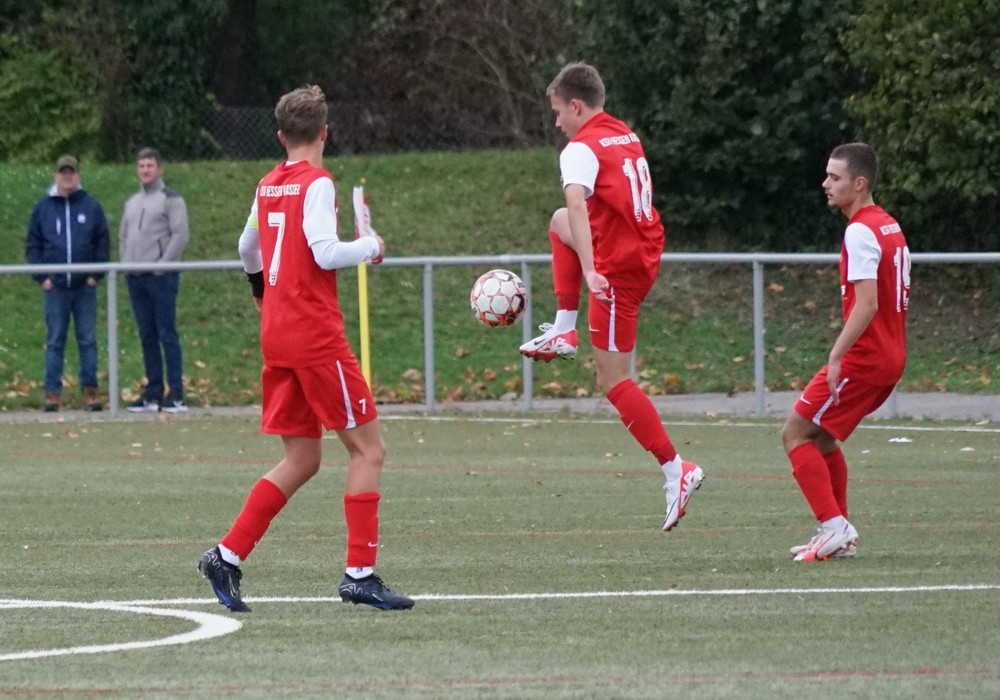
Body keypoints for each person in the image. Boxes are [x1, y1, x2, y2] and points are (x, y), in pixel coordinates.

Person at [197, 85, 413, 612]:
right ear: (324, 133)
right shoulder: (317, 183)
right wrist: (372, 247)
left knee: (302, 457)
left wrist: (259, 290)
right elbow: (324, 251)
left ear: (280, 136)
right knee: (369, 450)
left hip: (277, 332)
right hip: (314, 336)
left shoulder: (268, 184)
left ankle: (226, 555)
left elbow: (246, 247)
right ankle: (359, 574)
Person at [520, 62, 705, 531]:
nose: (557, 122)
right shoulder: (622, 133)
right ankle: (564, 329)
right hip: (640, 249)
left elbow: (579, 204)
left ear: (576, 106)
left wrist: (590, 269)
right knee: (557, 222)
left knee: (613, 380)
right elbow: (575, 213)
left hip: (617, 269)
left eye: (558, 112)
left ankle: (676, 470)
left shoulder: (579, 149)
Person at [783, 142, 910, 562]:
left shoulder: (860, 230)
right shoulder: (888, 224)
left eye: (834, 177)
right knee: (822, 438)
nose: (825, 183)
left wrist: (836, 356)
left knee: (795, 434)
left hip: (866, 357)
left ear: (859, 183)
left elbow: (868, 303)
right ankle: (840, 534)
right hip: (890, 355)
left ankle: (835, 527)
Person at [25, 155, 110, 412]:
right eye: (63, 172)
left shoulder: (91, 206)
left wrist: (95, 275)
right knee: (55, 340)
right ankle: (52, 394)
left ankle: (90, 393)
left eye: (71, 172)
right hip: (55, 287)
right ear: (56, 175)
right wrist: (42, 277)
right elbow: (33, 244)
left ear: (78, 175)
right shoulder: (42, 208)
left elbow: (102, 242)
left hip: (84, 286)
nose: (67, 176)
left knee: (88, 340)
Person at [119, 147, 190, 414]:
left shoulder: (171, 199)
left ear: (160, 169)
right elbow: (123, 236)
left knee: (166, 334)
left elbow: (180, 235)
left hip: (161, 277)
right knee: (147, 335)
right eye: (141, 166)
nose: (145, 170)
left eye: (150, 165)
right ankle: (153, 393)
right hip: (136, 277)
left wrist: (163, 264)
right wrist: (125, 264)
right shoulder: (132, 202)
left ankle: (176, 394)